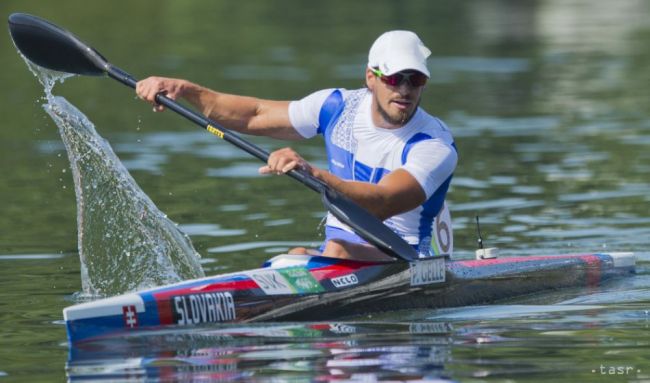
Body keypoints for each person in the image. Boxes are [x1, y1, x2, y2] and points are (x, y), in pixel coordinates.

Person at [136, 30, 457, 262]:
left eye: (416, 80)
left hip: (407, 260)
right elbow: (253, 114)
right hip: (342, 256)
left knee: (326, 253)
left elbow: (382, 203)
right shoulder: (337, 108)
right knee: (293, 257)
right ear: (370, 78)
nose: (405, 90)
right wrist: (184, 89)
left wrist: (311, 172)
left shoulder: (433, 144)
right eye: (394, 78)